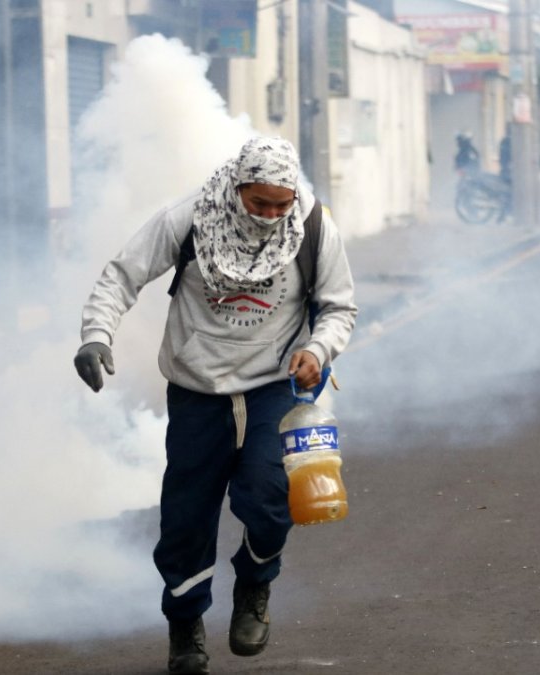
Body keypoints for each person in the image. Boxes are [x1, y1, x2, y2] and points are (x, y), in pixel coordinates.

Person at [74, 137, 357, 675]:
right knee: (186, 519)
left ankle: (254, 584)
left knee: (272, 498)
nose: (273, 216)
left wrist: (318, 350)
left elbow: (340, 306)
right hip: (197, 393)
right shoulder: (188, 218)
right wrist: (96, 336)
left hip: (274, 387)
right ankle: (185, 629)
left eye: (282, 204)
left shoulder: (314, 226)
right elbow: (122, 274)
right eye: (260, 203)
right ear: (236, 187)